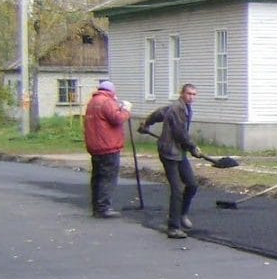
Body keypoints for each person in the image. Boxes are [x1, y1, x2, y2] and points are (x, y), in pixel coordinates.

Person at [141, 84, 200, 239]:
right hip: (168, 152)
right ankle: (173, 227)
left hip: (179, 152)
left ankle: (181, 214)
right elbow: (179, 132)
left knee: (192, 184)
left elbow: (159, 113)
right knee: (177, 189)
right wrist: (193, 147)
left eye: (194, 94)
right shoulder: (177, 109)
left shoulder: (183, 107)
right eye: (189, 93)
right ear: (182, 93)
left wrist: (147, 123)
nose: (191, 97)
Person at [83, 80, 132, 218]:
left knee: (97, 177)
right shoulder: (107, 102)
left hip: (95, 146)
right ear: (111, 91)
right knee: (108, 177)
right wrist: (126, 110)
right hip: (108, 146)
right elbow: (117, 118)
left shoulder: (92, 102)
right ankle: (104, 207)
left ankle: (96, 206)